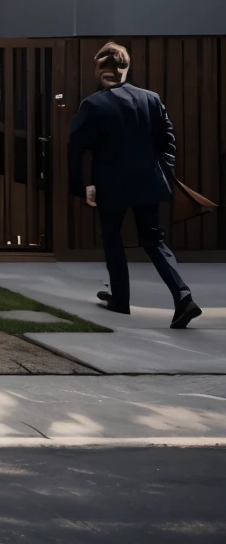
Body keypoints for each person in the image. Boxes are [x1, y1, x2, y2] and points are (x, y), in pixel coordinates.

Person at [68, 42, 202, 329]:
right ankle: (183, 296)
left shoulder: (93, 104)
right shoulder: (151, 99)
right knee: (153, 239)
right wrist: (162, 170)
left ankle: (121, 299)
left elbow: (76, 148)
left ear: (101, 72)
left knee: (112, 237)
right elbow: (168, 140)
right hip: (147, 183)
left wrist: (83, 186)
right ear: (125, 69)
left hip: (111, 185)